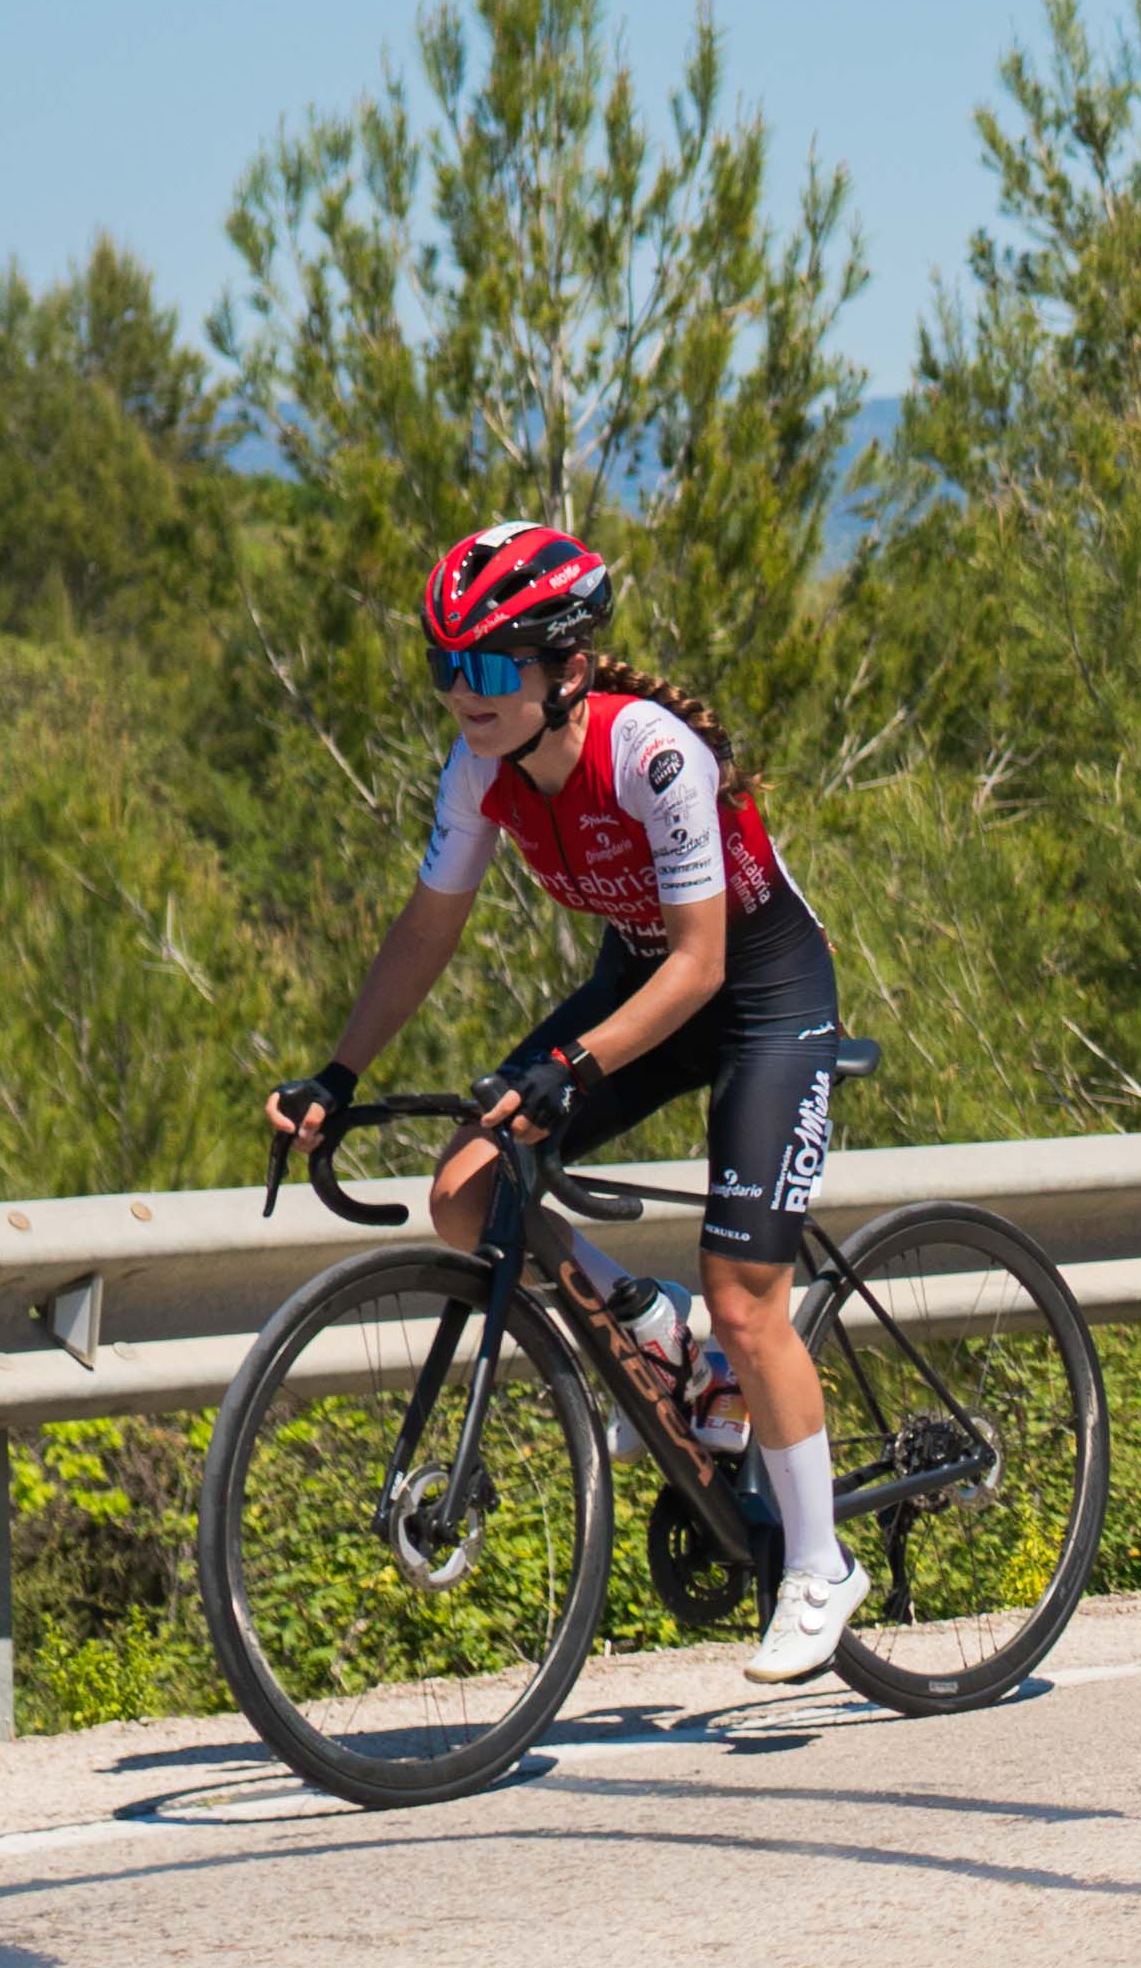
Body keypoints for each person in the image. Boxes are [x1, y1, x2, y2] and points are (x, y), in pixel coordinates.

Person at [262, 521, 876, 1688]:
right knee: (466, 1194)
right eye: (444, 666)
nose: (464, 693)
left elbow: (699, 965)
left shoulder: (650, 755)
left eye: (490, 668)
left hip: (756, 994)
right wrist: (336, 1074)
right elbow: (428, 929)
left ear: (568, 669)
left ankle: (818, 1562)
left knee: (749, 1303)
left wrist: (574, 1067)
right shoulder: (479, 771)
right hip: (642, 986)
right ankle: (654, 1324)